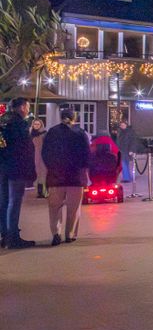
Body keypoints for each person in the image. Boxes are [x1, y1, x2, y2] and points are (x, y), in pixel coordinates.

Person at [42, 107, 90, 247]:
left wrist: (51, 167)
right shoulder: (80, 133)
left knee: (54, 207)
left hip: (56, 176)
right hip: (75, 176)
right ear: (74, 118)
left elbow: (45, 153)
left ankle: (56, 233)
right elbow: (86, 154)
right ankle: (70, 234)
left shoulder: (52, 132)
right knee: (73, 207)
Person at [0, 98, 37, 249]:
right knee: (14, 202)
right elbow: (24, 148)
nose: (28, 110)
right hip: (16, 167)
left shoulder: (3, 121)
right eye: (27, 107)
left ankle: (5, 234)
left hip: (3, 166)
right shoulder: (19, 123)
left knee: (4, 201)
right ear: (22, 107)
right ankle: (13, 237)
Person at [30, 119, 48, 198]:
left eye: (38, 124)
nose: (36, 126)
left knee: (43, 173)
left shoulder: (44, 134)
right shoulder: (31, 134)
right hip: (34, 156)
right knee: (37, 173)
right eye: (35, 124)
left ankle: (45, 192)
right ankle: (39, 192)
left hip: (43, 155)